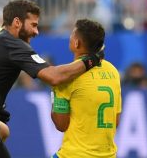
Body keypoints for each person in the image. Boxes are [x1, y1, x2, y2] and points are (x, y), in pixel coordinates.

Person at [0, 0, 103, 157]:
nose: (36, 32)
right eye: (34, 25)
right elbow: (54, 77)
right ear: (17, 22)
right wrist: (92, 59)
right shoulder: (13, 44)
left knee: (2, 131)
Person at [51, 19, 121, 158]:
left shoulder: (66, 76)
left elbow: (61, 125)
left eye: (72, 34)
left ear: (77, 43)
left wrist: (54, 96)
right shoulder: (113, 71)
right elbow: (116, 120)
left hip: (74, 154)